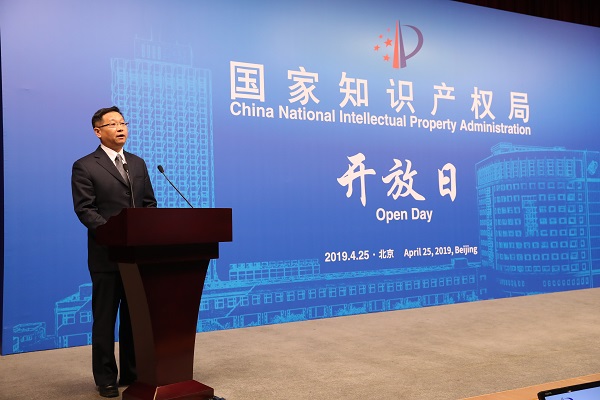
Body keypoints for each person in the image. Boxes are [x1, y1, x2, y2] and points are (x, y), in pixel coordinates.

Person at [71, 106, 157, 398]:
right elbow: (86, 210)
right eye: (113, 124)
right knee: (105, 320)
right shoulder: (85, 166)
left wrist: (145, 233)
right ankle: (106, 378)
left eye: (123, 123)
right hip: (106, 256)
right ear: (98, 131)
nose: (121, 128)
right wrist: (115, 235)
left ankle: (132, 373)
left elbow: (149, 204)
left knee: (134, 319)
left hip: (136, 257)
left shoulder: (137, 163)